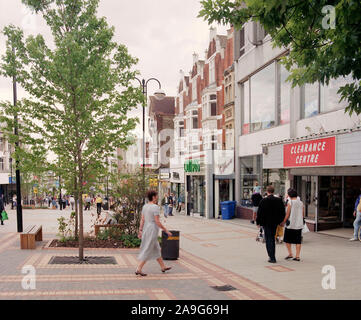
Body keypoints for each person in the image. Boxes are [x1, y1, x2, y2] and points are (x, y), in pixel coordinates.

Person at [135, 190, 173, 277]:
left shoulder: (145, 206)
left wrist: (140, 230)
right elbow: (157, 221)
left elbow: (142, 219)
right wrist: (166, 230)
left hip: (146, 228)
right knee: (148, 248)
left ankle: (163, 267)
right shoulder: (155, 207)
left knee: (156, 248)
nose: (157, 197)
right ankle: (139, 269)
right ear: (153, 197)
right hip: (152, 229)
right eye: (156, 196)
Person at [256, 185, 286, 263]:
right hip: (275, 222)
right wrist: (281, 221)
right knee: (272, 237)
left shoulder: (263, 201)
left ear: (267, 191)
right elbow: (282, 211)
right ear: (273, 191)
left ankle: (272, 257)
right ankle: (272, 256)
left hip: (266, 223)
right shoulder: (279, 200)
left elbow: (259, 213)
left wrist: (258, 222)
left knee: (269, 239)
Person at [281, 189, 305, 261]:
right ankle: (297, 256)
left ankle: (290, 253)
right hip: (299, 224)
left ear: (290, 195)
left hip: (291, 224)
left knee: (287, 240)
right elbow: (303, 214)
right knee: (298, 240)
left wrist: (283, 222)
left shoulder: (290, 203)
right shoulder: (301, 203)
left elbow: (287, 214)